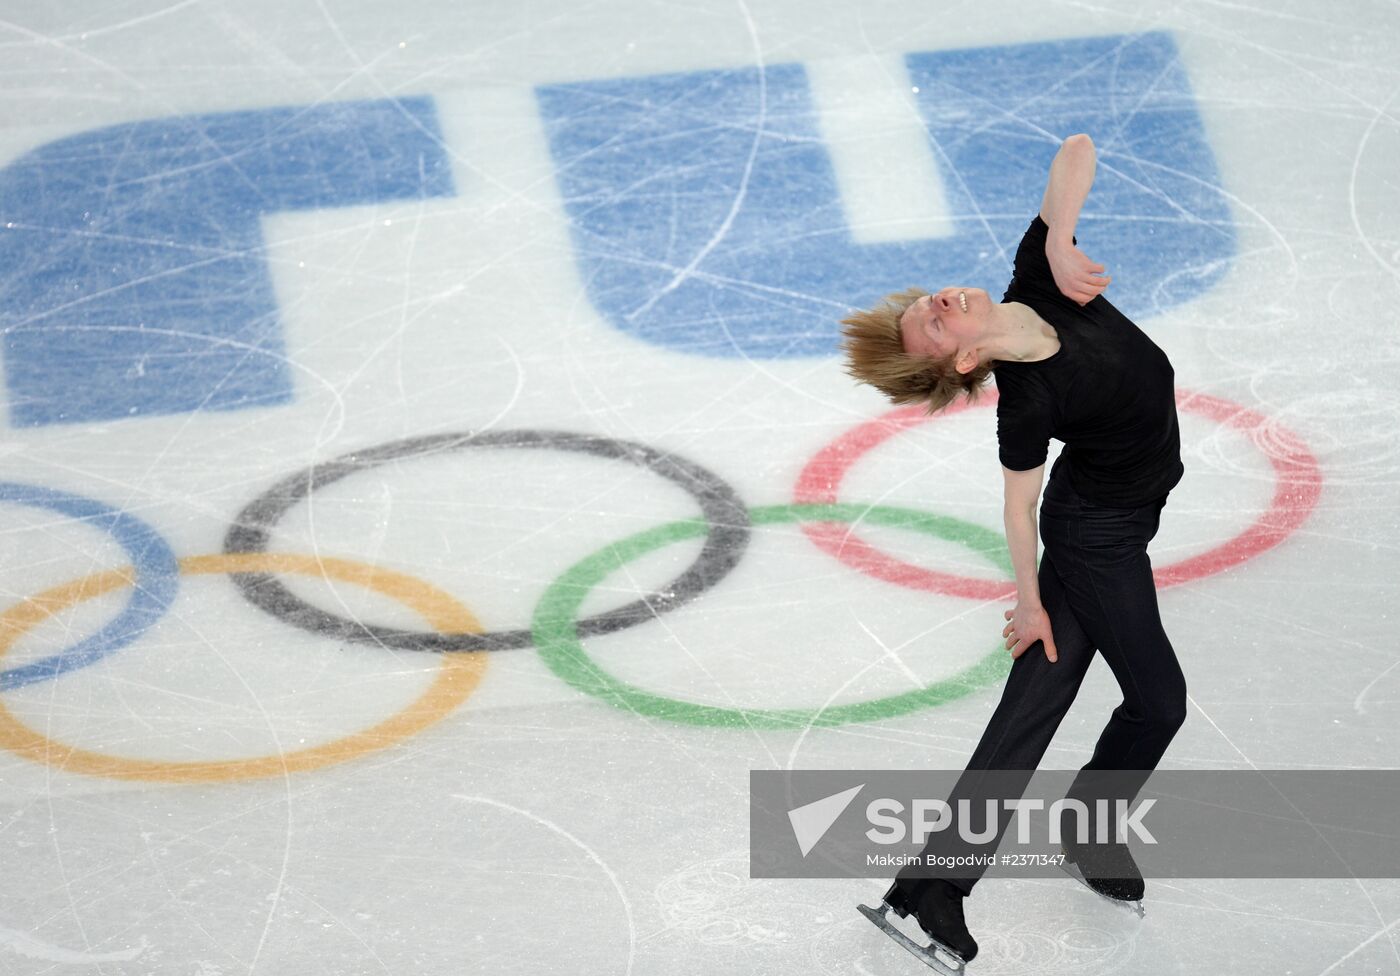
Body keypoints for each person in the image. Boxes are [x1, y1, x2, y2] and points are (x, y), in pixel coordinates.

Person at [840, 133, 1188, 969]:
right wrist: (1030, 601)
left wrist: (1062, 238)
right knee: (1160, 702)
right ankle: (1086, 831)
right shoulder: (1028, 401)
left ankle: (931, 888)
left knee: (1031, 708)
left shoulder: (1038, 281)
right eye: (934, 319)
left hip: (1114, 517)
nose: (943, 299)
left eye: (932, 299)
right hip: (1096, 538)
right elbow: (1018, 502)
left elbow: (1075, 150)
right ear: (963, 356)